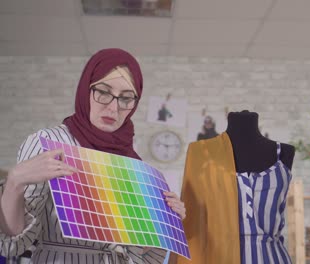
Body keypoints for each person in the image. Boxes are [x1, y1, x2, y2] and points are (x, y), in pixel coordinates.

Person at [0, 48, 186, 263]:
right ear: (85, 90)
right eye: (103, 92)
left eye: (126, 98)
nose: (113, 107)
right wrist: (14, 181)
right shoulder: (48, 143)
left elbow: (140, 256)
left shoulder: (131, 162)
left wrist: (167, 224)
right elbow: (14, 243)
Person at [178, 110, 295, 264]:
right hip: (219, 258)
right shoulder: (202, 154)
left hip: (273, 258)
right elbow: (192, 219)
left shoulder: (284, 153)